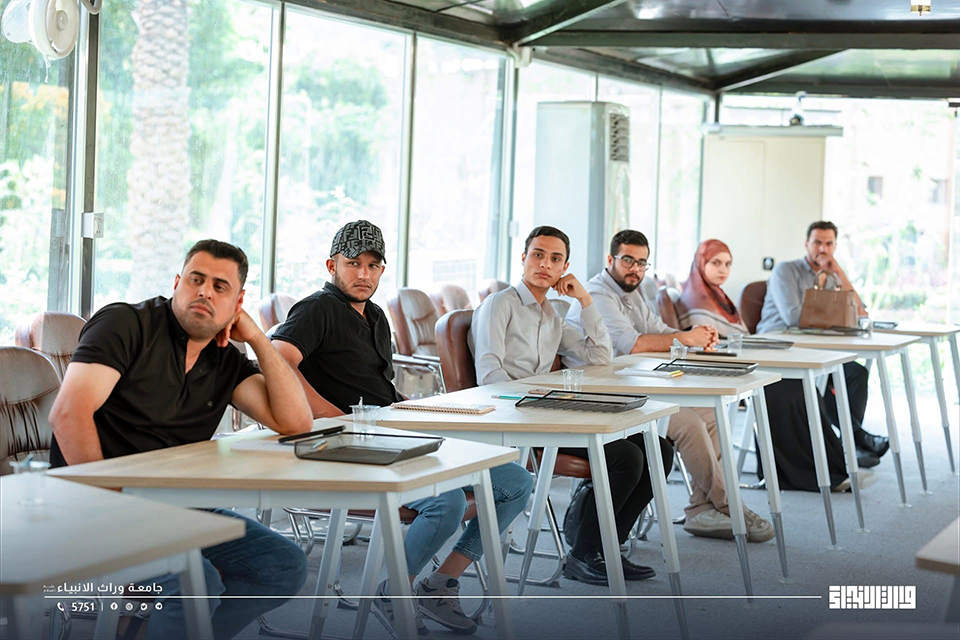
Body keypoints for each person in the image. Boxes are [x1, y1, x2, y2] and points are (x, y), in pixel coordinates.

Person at [272, 220, 532, 636]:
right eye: (353, 263)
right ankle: (394, 593)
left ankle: (439, 584)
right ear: (331, 265)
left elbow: (376, 385)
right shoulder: (316, 308)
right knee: (446, 501)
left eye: (373, 266)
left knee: (516, 481)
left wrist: (413, 407)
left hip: (395, 432)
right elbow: (277, 361)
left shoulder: (375, 315)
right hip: (348, 447)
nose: (363, 274)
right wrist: (332, 415)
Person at [48, 239, 313, 640]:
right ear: (177, 283)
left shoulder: (224, 360)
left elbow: (296, 423)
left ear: (238, 303)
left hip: (175, 505)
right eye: (196, 279)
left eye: (220, 287)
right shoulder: (125, 324)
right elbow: (68, 414)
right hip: (92, 504)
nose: (205, 292)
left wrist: (258, 339)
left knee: (283, 565)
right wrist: (115, 507)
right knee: (196, 583)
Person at [470, 225, 674, 586]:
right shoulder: (499, 304)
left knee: (659, 449)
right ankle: (584, 554)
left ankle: (607, 547)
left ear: (565, 267)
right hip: (514, 421)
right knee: (626, 457)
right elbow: (490, 377)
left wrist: (585, 300)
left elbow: (599, 356)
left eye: (555, 259)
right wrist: (539, 400)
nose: (545, 264)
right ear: (523, 257)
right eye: (538, 255)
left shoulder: (552, 314)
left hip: (547, 414)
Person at [566, 230, 773, 542]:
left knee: (709, 414)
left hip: (633, 384)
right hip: (604, 393)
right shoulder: (599, 293)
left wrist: (693, 336)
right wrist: (686, 338)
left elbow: (659, 330)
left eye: (642, 263)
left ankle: (701, 508)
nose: (635, 268)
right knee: (688, 423)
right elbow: (633, 344)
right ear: (610, 259)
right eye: (628, 260)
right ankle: (729, 504)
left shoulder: (630, 292)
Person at [679, 238, 876, 493]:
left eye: (727, 264)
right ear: (700, 263)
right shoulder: (695, 298)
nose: (723, 270)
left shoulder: (720, 298)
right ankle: (809, 474)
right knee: (789, 388)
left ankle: (832, 467)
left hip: (745, 360)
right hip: (723, 369)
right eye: (715, 263)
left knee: (811, 386)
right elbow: (706, 344)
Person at [756, 220, 889, 467]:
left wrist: (839, 273)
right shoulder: (786, 271)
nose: (822, 249)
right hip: (779, 344)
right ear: (806, 243)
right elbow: (794, 318)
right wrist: (834, 315)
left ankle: (845, 445)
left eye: (829, 244)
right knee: (822, 378)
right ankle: (856, 440)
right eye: (817, 242)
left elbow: (860, 313)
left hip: (812, 348)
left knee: (855, 373)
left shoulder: (830, 276)